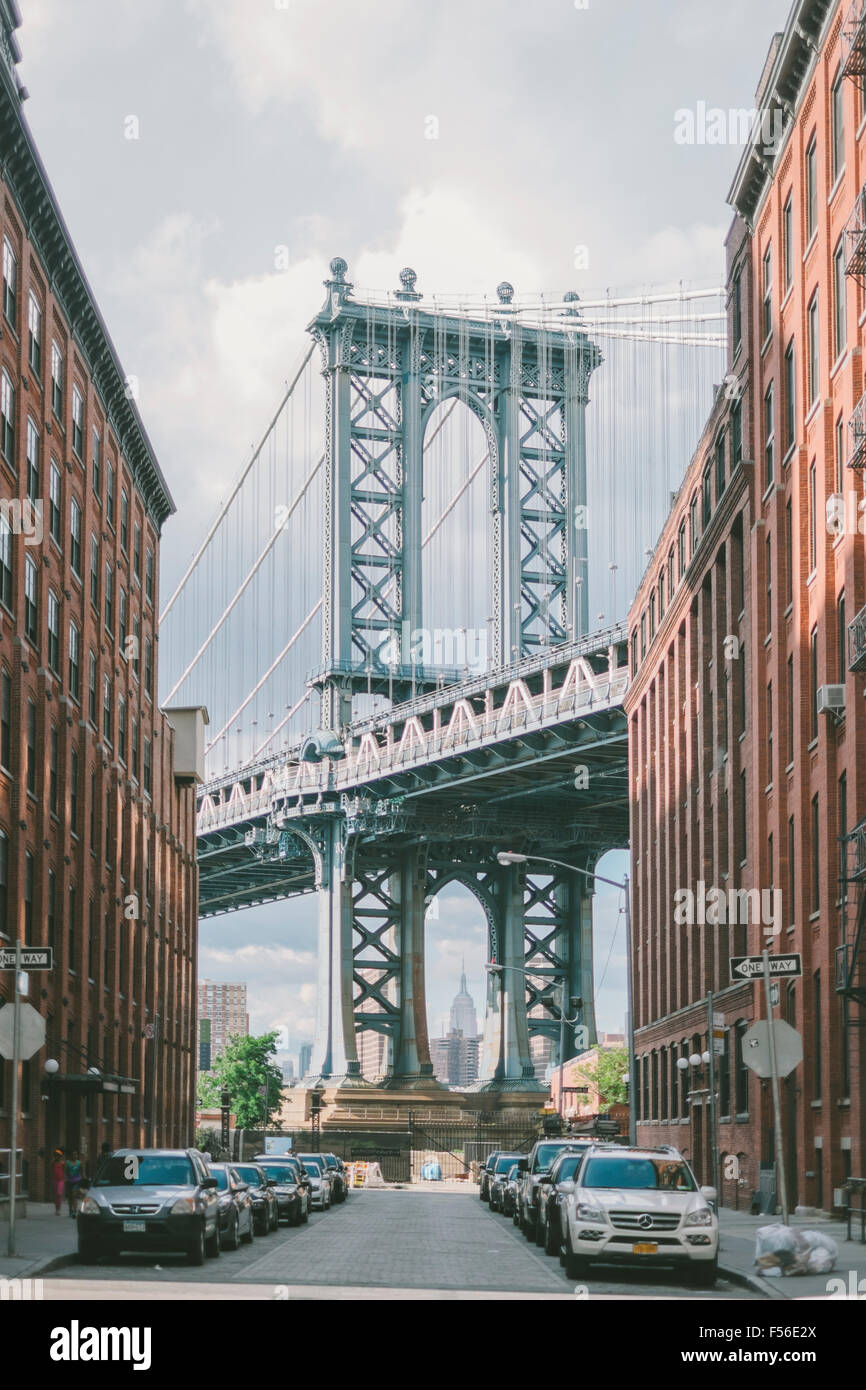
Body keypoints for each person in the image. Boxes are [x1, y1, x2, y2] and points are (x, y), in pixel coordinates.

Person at [65, 1150, 83, 1217]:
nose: (75, 1156)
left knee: (74, 1195)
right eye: (73, 1154)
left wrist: (84, 1181)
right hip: (69, 1181)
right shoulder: (67, 1163)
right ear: (70, 1156)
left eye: (76, 1154)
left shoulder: (79, 1163)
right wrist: (65, 1178)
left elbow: (82, 1172)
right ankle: (70, 1209)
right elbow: (65, 1172)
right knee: (70, 1197)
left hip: (77, 1181)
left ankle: (75, 1211)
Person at [51, 1149, 65, 1216]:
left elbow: (65, 1171)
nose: (57, 1157)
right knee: (55, 1195)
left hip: (60, 1180)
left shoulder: (62, 1163)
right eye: (56, 1155)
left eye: (59, 1156)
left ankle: (58, 1209)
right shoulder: (53, 1163)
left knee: (59, 1194)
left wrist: (65, 1178)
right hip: (54, 1180)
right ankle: (56, 1209)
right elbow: (50, 1170)